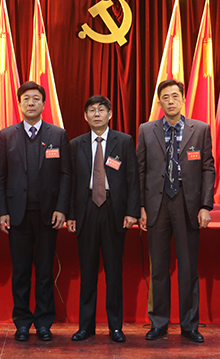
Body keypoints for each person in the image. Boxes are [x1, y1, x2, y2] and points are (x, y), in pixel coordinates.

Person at [137, 79, 215, 342]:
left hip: (188, 202)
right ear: (159, 102)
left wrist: (205, 205)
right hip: (156, 203)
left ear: (183, 99)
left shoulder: (200, 129)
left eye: (175, 96)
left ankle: (189, 324)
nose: (170, 101)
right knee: (159, 267)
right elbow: (140, 170)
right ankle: (159, 322)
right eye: (165, 97)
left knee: (188, 267)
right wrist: (140, 206)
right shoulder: (146, 130)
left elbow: (208, 168)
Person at [0, 81, 71, 342]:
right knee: (20, 271)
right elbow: (0, 176)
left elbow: (65, 174)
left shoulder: (57, 134)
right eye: (26, 98)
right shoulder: (7, 135)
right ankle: (22, 322)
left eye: (36, 98)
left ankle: (43, 322)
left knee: (45, 271)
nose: (30, 103)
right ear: (19, 104)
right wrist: (2, 210)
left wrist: (62, 208)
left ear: (43, 104)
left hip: (48, 215)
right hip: (17, 215)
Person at [67, 95, 140, 343]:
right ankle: (85, 326)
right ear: (85, 116)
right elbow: (71, 181)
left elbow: (132, 178)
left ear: (110, 114)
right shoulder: (76, 144)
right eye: (91, 110)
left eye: (101, 110)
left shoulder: (124, 141)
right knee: (87, 271)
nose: (96, 114)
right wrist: (71, 214)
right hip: (86, 209)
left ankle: (115, 327)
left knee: (113, 271)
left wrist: (131, 211)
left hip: (114, 210)